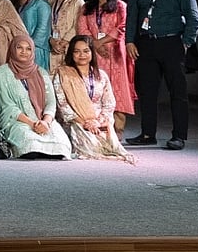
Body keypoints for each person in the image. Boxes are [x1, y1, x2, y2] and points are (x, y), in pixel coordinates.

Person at [125, 0, 198, 150]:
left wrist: (185, 43)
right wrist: (129, 41)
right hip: (145, 43)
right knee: (148, 91)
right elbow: (131, 16)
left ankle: (179, 136)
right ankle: (148, 134)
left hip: (172, 43)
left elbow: (194, 18)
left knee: (177, 91)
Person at [52, 36, 135, 164]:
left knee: (110, 145)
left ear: (92, 53)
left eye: (86, 51)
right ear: (71, 54)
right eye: (77, 51)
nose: (82, 55)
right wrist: (85, 122)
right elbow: (62, 105)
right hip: (75, 121)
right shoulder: (63, 74)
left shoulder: (102, 76)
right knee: (90, 146)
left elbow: (109, 104)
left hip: (99, 122)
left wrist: (97, 122)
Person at [0, 35, 72, 159]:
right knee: (30, 144)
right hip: (16, 121)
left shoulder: (41, 72)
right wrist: (32, 123)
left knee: (61, 145)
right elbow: (6, 106)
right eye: (19, 48)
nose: (24, 52)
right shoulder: (2, 73)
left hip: (43, 121)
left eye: (28, 48)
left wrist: (45, 122)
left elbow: (51, 103)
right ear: (13, 49)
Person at [77, 0, 135, 135]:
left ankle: (118, 131)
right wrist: (95, 44)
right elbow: (82, 29)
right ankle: (96, 128)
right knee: (95, 88)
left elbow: (123, 26)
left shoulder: (120, 5)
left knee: (117, 89)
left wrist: (101, 42)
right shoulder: (87, 7)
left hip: (115, 53)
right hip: (93, 53)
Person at [47, 0, 84, 73]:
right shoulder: (50, 1)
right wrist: (52, 41)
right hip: (53, 46)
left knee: (69, 76)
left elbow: (78, 24)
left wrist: (64, 42)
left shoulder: (77, 1)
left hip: (69, 45)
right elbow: (45, 24)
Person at [14, 0, 52, 71]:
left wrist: (30, 46)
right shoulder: (18, 5)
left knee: (38, 78)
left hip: (36, 48)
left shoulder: (40, 2)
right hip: (22, 49)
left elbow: (43, 27)